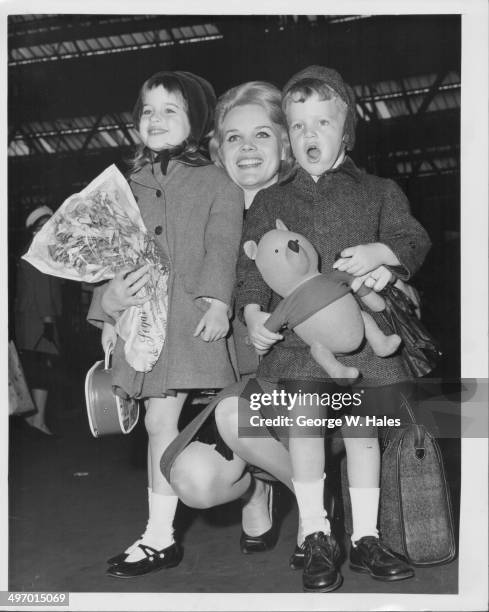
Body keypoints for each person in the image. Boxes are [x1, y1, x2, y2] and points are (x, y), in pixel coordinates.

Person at [230, 65, 431, 592]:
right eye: (297, 126)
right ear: (288, 135)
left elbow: (414, 240)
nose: (309, 135)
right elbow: (251, 268)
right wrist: (253, 314)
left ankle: (366, 537)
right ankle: (316, 532)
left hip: (361, 338)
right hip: (298, 344)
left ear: (347, 131)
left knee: (363, 435)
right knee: (305, 430)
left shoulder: (379, 191)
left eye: (322, 123)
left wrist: (382, 255)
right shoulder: (272, 200)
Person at [86, 70, 243, 578]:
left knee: (169, 424)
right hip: (146, 325)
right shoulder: (128, 184)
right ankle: (159, 536)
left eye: (169, 110)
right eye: (147, 111)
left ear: (195, 122)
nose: (155, 119)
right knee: (158, 424)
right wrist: (107, 313)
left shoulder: (217, 180)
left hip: (190, 325)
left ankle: (165, 533)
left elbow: (223, 244)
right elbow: (114, 257)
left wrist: (219, 301)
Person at [14, 206, 62, 437]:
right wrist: (48, 321)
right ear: (35, 230)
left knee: (36, 369)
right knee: (44, 369)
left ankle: (34, 417)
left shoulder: (31, 251)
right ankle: (39, 420)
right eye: (45, 226)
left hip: (29, 322)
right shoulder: (40, 253)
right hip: (40, 322)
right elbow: (43, 291)